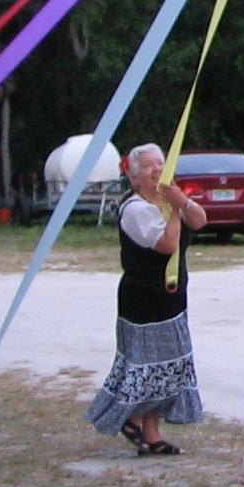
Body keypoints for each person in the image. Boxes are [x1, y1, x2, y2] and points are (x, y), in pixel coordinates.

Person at [86, 144, 208, 454]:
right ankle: (132, 416)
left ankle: (150, 432)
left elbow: (201, 220)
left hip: (171, 297)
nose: (156, 170)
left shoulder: (168, 202)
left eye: (160, 164)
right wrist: (176, 209)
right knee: (146, 367)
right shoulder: (135, 209)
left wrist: (182, 203)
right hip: (144, 299)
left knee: (166, 367)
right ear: (135, 176)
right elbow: (167, 244)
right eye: (149, 166)